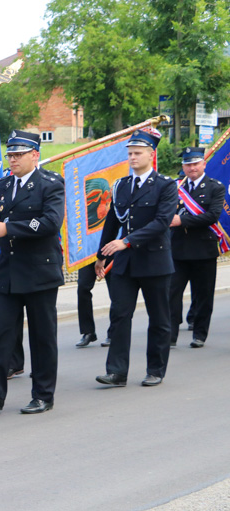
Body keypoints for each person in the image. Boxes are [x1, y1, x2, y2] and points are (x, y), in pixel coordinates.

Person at [0, 130, 64, 414]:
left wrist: (9, 228)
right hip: (8, 271)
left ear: (35, 155)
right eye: (10, 154)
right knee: (1, 332)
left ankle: (43, 394)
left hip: (39, 271)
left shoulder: (50, 184)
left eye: (19, 154)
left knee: (42, 336)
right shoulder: (0, 187)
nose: (13, 159)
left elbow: (50, 222)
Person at [95, 128, 176, 387]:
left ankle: (155, 369)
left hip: (154, 260)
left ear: (151, 155)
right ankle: (117, 371)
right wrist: (100, 256)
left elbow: (161, 223)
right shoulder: (121, 185)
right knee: (119, 315)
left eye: (137, 153)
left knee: (159, 318)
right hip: (125, 263)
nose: (132, 157)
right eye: (129, 153)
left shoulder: (165, 185)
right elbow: (111, 222)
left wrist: (126, 241)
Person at [169, 146, 224, 349]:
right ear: (183, 166)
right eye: (187, 164)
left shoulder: (215, 187)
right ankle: (171, 334)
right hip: (177, 249)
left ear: (204, 164)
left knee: (203, 295)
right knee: (171, 294)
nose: (191, 168)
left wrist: (181, 221)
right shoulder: (175, 187)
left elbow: (211, 216)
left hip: (203, 250)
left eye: (195, 164)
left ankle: (200, 333)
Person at [75, 261, 113, 347]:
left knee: (115, 292)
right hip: (89, 253)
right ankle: (88, 332)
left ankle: (114, 333)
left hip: (110, 251)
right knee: (82, 288)